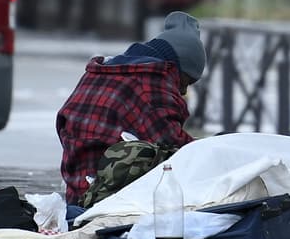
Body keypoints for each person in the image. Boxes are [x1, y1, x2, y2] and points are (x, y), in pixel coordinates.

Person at [56, 11, 207, 205]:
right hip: (107, 197)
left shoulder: (102, 71)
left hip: (75, 190)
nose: (184, 90)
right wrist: (214, 148)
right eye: (186, 80)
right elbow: (177, 147)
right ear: (174, 68)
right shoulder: (152, 83)